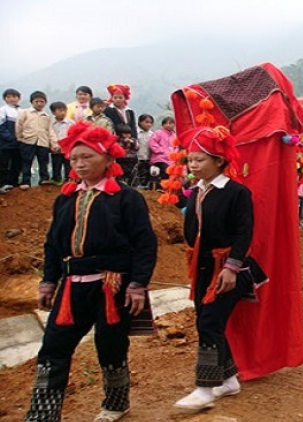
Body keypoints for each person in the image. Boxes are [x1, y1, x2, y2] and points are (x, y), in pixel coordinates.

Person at [24, 121, 157, 422]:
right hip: (72, 287)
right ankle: (42, 415)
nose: (80, 164)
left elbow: (145, 243)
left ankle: (116, 403)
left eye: (87, 157)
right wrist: (48, 281)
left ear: (108, 159)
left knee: (110, 347)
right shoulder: (65, 198)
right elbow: (52, 244)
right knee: (53, 348)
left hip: (112, 286)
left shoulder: (127, 198)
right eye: (74, 159)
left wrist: (137, 284)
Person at [174, 125, 268, 410]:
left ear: (219, 161)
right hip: (203, 269)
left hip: (228, 270)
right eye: (190, 159)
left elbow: (244, 232)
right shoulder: (196, 192)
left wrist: (231, 267)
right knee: (206, 321)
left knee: (209, 323)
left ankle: (205, 388)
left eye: (200, 159)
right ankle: (229, 381)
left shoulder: (236, 192)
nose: (193, 164)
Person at [15, 91, 57, 190]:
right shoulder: (25, 113)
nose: (39, 103)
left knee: (43, 162)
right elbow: (19, 125)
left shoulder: (46, 116)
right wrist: (20, 138)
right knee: (27, 161)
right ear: (32, 102)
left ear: (45, 103)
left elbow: (50, 131)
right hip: (28, 141)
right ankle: (26, 181)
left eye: (42, 101)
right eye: (36, 101)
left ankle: (44, 179)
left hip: (43, 142)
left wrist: (54, 143)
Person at [0, 88, 22, 193]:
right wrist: (10, 137)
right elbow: (1, 126)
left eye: (14, 97)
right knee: (4, 164)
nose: (12, 99)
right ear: (5, 99)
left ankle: (14, 182)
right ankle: (3, 184)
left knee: (17, 163)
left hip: (19, 143)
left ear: (18, 98)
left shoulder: (21, 111)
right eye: (9, 97)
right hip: (5, 143)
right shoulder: (3, 110)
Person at [50, 102, 73, 184]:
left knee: (68, 165)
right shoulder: (50, 123)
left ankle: (68, 179)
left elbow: (73, 136)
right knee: (56, 164)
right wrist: (53, 146)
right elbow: (50, 135)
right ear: (53, 112)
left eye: (64, 110)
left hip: (67, 149)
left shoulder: (71, 123)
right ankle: (56, 179)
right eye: (60, 111)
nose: (63, 113)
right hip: (55, 148)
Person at [149, 116, 177, 185]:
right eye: (166, 123)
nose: (168, 125)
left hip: (171, 159)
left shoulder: (174, 135)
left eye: (170, 123)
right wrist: (162, 151)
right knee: (166, 170)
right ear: (163, 125)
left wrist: (174, 154)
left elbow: (177, 146)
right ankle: (162, 185)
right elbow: (153, 144)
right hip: (160, 158)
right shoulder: (158, 133)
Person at [136, 114, 154, 188]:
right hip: (139, 157)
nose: (149, 124)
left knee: (148, 174)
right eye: (146, 122)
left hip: (149, 158)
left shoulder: (152, 134)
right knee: (138, 174)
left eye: (150, 123)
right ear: (140, 122)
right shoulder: (136, 133)